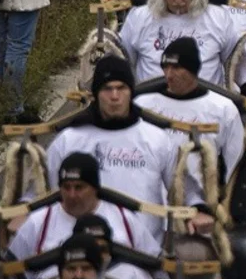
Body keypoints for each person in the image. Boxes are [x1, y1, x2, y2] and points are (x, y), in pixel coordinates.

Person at [46, 56, 187, 240]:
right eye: (107, 89)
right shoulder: (68, 140)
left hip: (142, 253)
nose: (114, 96)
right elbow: (44, 195)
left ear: (131, 92)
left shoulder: (157, 139)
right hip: (79, 254)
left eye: (121, 88)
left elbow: (181, 192)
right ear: (96, 94)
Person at [119, 0, 246, 86]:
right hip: (152, 99)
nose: (178, 1)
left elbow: (236, 58)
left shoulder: (217, 16)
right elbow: (124, 58)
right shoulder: (140, 17)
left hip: (206, 98)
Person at [6, 152, 154, 266]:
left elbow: (157, 264)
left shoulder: (124, 219)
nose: (72, 195)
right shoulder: (38, 222)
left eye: (79, 187)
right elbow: (10, 268)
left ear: (95, 188)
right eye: (66, 187)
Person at [135, 37, 246, 179]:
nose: (169, 75)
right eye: (165, 67)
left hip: (200, 197)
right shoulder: (143, 104)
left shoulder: (223, 109)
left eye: (176, 68)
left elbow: (234, 160)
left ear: (192, 70)